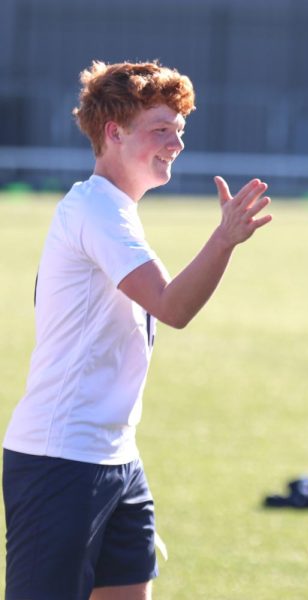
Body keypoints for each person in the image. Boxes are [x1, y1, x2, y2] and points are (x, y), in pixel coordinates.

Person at [2, 61, 271, 599]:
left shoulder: (115, 211)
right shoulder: (95, 210)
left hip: (116, 456)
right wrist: (222, 241)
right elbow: (172, 306)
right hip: (62, 459)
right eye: (161, 129)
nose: (176, 143)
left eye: (180, 130)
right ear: (114, 133)